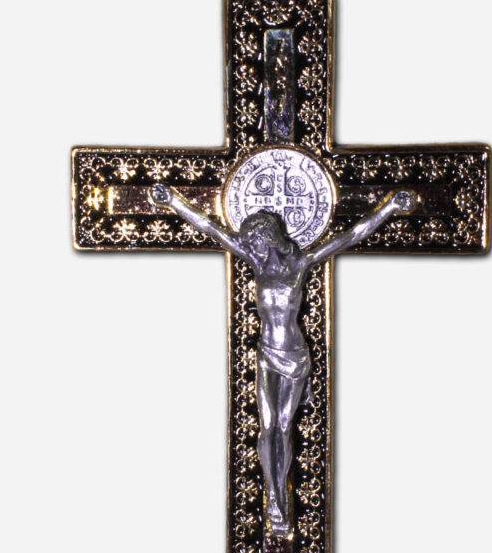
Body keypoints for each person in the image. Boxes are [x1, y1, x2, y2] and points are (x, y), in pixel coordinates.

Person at [149, 182, 418, 535]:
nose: (250, 247)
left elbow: (351, 235)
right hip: (266, 353)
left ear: (269, 237)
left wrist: (389, 208)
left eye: (255, 241)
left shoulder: (300, 263)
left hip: (295, 356)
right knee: (267, 425)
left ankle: (282, 492)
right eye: (249, 243)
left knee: (284, 427)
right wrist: (174, 202)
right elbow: (211, 228)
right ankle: (275, 495)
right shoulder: (256, 263)